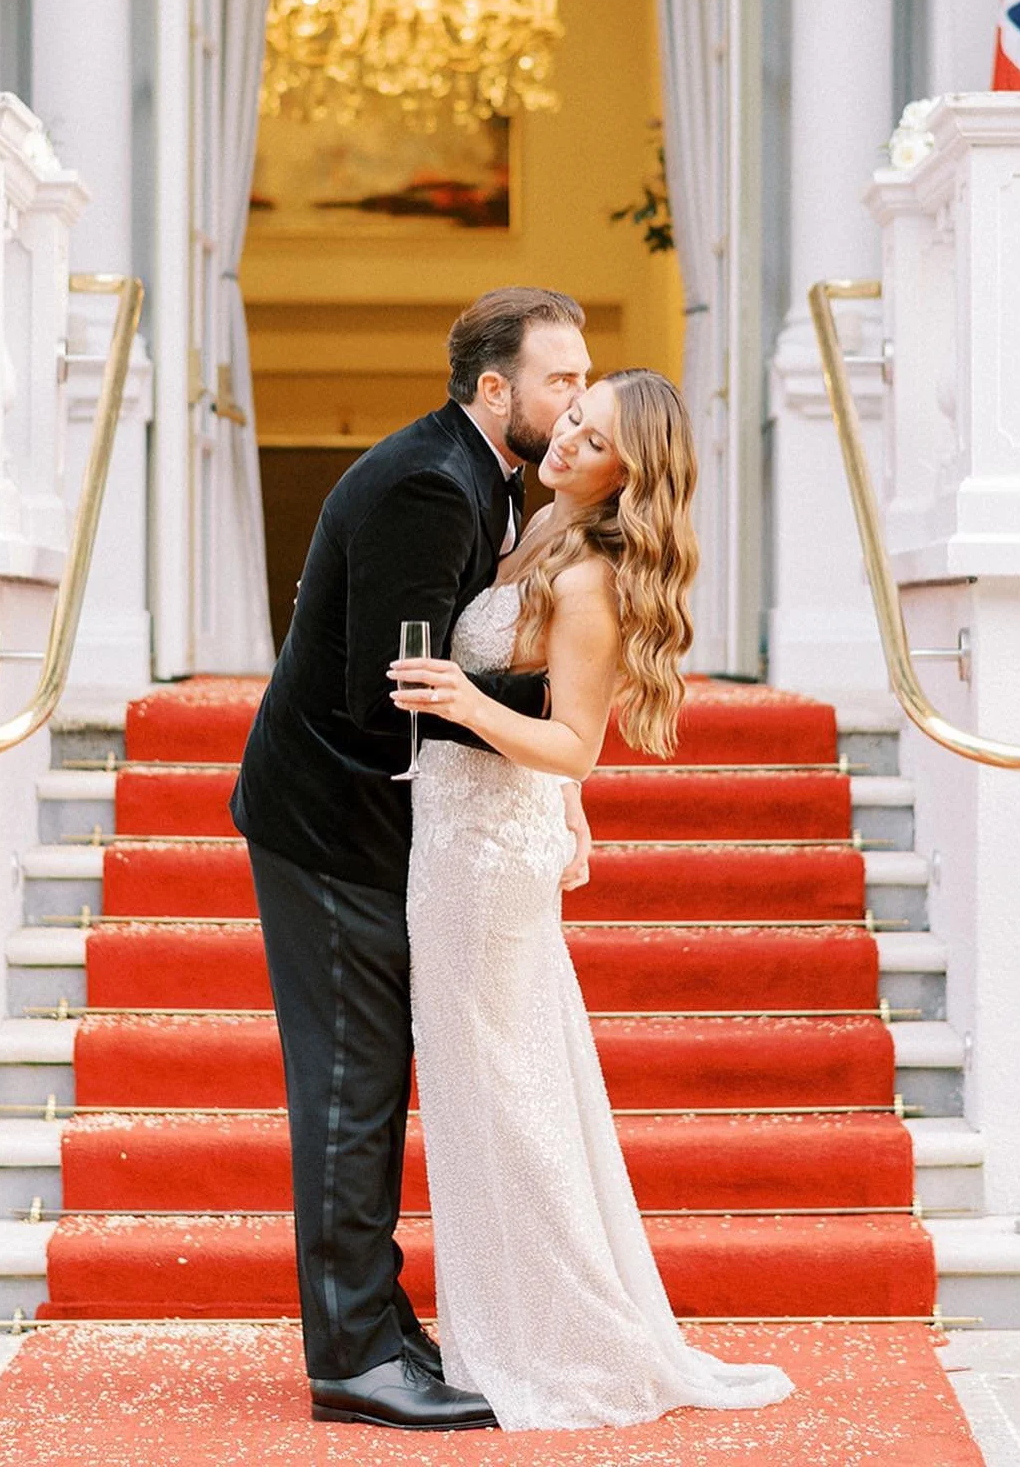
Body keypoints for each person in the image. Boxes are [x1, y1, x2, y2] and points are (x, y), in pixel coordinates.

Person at [388, 370, 795, 1430]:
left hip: (485, 858)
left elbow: (575, 737)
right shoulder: (533, 533)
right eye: (575, 413)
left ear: (630, 476)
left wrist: (464, 700)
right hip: (466, 830)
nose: (567, 436)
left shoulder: (591, 579)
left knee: (506, 1105)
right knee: (491, 1099)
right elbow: (563, 758)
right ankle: (505, 1331)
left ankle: (562, 1344)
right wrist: (568, 805)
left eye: (597, 437)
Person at [230, 287, 594, 1430]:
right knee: (353, 1090)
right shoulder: (436, 485)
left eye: (584, 380)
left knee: (366, 1085)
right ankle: (353, 1359)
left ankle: (378, 1324)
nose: (577, 400)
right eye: (561, 382)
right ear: (498, 390)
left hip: (372, 822)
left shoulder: (480, 473)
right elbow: (380, 697)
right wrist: (551, 711)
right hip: (332, 822)